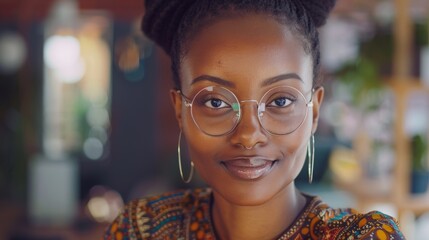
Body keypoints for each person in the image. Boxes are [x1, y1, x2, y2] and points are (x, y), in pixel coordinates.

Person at [104, 0, 405, 239]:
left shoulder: (363, 237)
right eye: (216, 101)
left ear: (313, 111)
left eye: (280, 101)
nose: (248, 135)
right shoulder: (142, 229)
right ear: (181, 111)